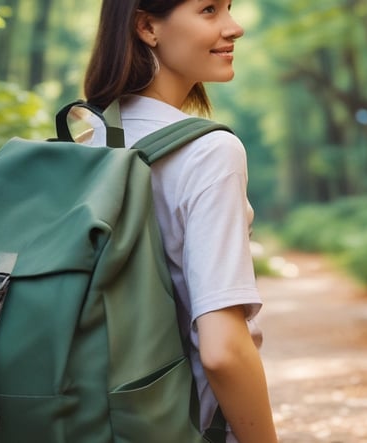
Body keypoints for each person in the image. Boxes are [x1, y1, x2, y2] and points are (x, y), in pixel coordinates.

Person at [82, 1, 278, 442]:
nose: (235, 27)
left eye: (229, 8)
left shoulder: (84, 146)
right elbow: (224, 351)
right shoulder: (209, 153)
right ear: (147, 27)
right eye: (209, 10)